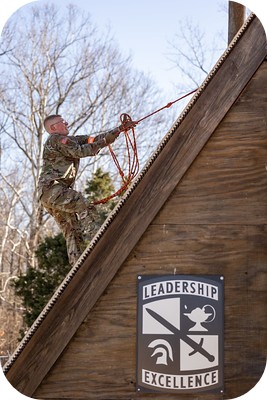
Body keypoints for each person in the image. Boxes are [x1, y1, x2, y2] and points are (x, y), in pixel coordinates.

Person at [38, 114, 135, 266]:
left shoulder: (70, 140)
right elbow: (80, 151)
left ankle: (77, 265)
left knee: (72, 230)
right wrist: (104, 142)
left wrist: (118, 130)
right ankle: (98, 236)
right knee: (81, 202)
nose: (67, 123)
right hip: (53, 190)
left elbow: (92, 140)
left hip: (49, 195)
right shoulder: (56, 140)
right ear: (53, 128)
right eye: (63, 122)